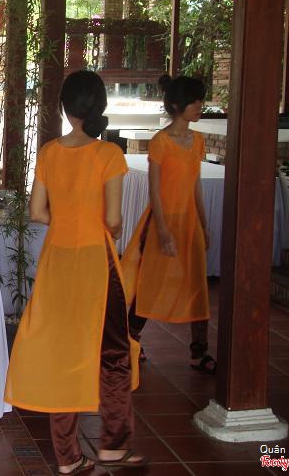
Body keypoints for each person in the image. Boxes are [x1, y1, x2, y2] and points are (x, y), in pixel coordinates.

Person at [4, 71, 145, 474]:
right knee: (114, 353)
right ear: (99, 106)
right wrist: (97, 224)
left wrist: (66, 220)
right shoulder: (108, 155)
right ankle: (113, 445)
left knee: (59, 349)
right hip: (96, 263)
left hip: (57, 261)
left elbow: (37, 212)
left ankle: (67, 457)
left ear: (64, 109)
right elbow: (113, 221)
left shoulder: (50, 151)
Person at [121, 75, 214, 373]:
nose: (199, 106)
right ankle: (131, 339)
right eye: (194, 102)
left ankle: (199, 351)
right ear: (176, 105)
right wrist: (162, 230)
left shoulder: (197, 141)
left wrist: (204, 224)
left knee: (197, 284)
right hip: (162, 220)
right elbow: (155, 191)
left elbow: (195, 185)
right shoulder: (161, 142)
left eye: (200, 101)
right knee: (152, 282)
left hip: (189, 221)